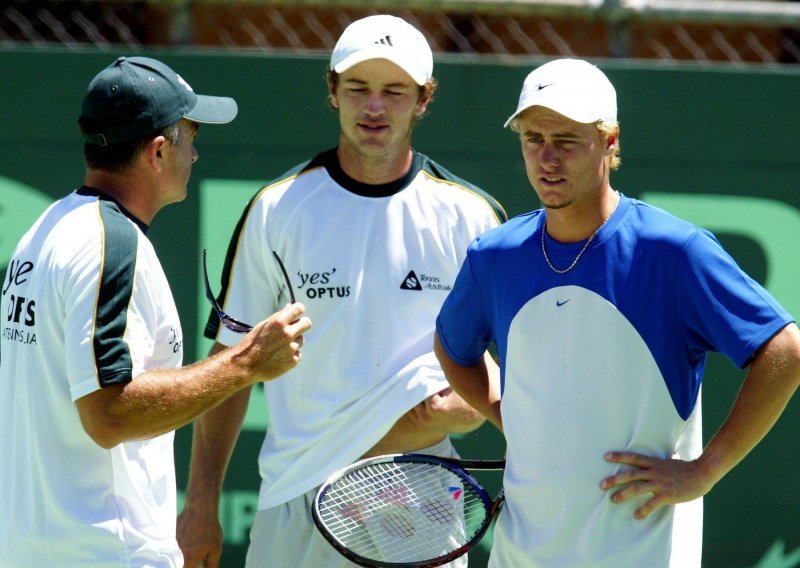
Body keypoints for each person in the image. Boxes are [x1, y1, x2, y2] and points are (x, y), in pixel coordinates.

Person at [433, 58, 800, 567]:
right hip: (520, 555)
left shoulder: (673, 250)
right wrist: (506, 413)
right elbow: (453, 347)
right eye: (533, 138)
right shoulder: (492, 256)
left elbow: (784, 349)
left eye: (566, 140)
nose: (547, 158)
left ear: (609, 141)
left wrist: (705, 470)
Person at [177, 14, 507, 568]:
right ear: (332, 91)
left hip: (421, 490)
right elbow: (232, 366)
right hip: (295, 492)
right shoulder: (276, 209)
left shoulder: (472, 216)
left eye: (393, 92)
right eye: (357, 89)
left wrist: (467, 406)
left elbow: (514, 366)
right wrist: (201, 504)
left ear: (423, 99)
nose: (373, 107)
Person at [0, 56, 311, 568]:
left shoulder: (46, 230)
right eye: (191, 136)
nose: (197, 153)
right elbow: (109, 413)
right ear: (159, 152)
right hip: (102, 553)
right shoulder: (111, 244)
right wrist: (247, 362)